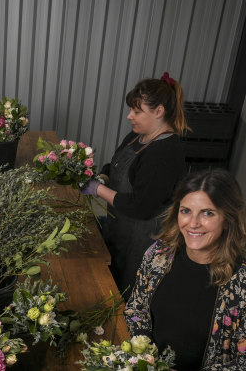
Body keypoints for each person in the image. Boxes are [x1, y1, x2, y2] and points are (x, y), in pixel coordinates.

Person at [124, 169, 246, 370]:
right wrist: (144, 354)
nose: (193, 223)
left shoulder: (241, 283)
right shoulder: (159, 254)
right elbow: (137, 307)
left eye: (208, 213)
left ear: (227, 219)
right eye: (186, 211)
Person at [81, 72, 188, 296]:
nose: (130, 116)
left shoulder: (165, 152)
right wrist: (103, 177)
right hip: (120, 227)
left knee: (130, 292)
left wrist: (97, 189)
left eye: (137, 111)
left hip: (144, 241)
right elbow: (115, 166)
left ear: (159, 111)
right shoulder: (137, 136)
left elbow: (142, 206)